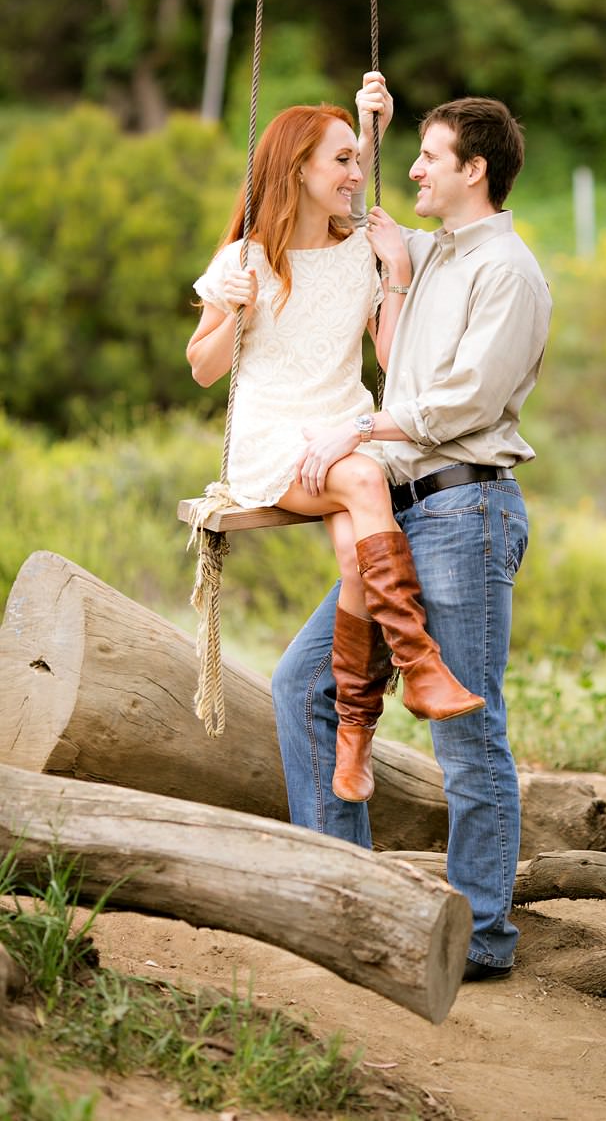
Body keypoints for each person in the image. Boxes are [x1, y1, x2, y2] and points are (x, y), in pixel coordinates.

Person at [272, 72, 552, 982]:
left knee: (469, 735)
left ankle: (481, 942)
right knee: (304, 686)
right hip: (401, 511)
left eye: (430, 159)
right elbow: (395, 358)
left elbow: (460, 401)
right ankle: (341, 896)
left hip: (468, 509)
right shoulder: (431, 256)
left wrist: (356, 426)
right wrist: (370, 124)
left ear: (474, 170)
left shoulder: (509, 271)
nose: (416, 174)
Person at [186, 95, 485, 805]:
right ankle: (418, 664)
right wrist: (237, 308)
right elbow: (202, 367)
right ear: (299, 170)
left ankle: (355, 735)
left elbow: (392, 359)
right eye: (343, 160)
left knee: (357, 554)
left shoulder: (362, 253)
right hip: (274, 440)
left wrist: (395, 274)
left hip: (344, 429)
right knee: (361, 480)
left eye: (359, 156)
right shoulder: (245, 258)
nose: (357, 172)